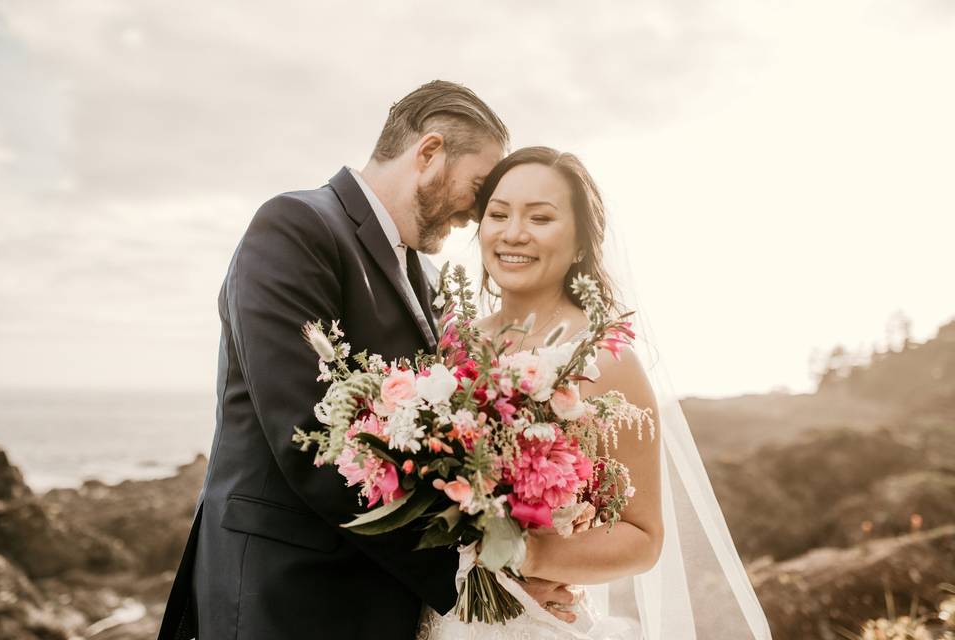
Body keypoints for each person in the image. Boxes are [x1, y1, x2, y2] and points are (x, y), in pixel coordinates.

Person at [157, 82, 579, 640]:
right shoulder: (295, 227)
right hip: (284, 596)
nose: (478, 214)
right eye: (479, 189)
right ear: (428, 153)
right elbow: (306, 434)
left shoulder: (424, 279)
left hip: (378, 602)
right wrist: (468, 572)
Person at [417, 147, 772, 640]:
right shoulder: (452, 347)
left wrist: (520, 556)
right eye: (498, 215)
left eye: (540, 217)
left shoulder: (606, 359)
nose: (513, 232)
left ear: (581, 240)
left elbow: (643, 538)